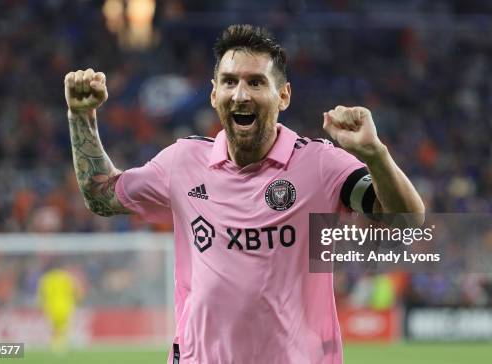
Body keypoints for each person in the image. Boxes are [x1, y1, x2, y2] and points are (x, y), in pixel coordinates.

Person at [64, 24, 424, 364]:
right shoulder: (183, 162)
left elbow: (406, 222)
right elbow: (102, 196)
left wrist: (375, 154)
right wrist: (82, 117)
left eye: (256, 82)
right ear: (213, 93)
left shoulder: (320, 165)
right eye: (229, 82)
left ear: (282, 95)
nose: (240, 94)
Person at [37, 261, 81, 354]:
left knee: (54, 327)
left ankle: (55, 345)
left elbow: (42, 293)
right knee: (64, 326)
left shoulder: (46, 278)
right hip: (65, 305)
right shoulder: (66, 277)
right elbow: (75, 290)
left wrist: (41, 304)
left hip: (50, 306)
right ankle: (62, 345)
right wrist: (77, 299)